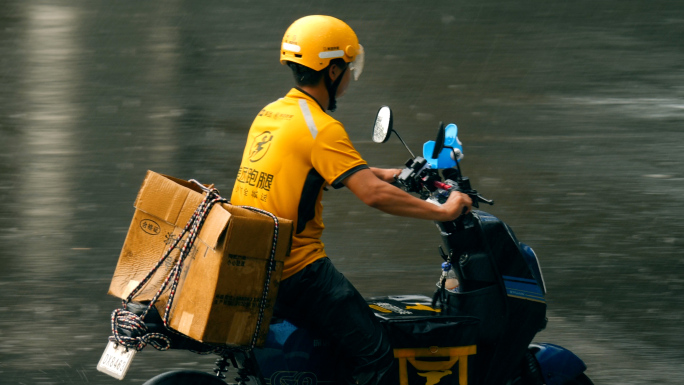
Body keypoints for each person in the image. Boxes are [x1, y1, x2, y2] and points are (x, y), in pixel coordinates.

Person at [230, 15, 472, 385]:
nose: (349, 78)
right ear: (332, 70)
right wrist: (443, 208)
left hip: (257, 259)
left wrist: (384, 172)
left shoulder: (273, 113)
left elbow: (310, 171)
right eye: (347, 67)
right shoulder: (322, 127)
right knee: (377, 356)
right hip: (298, 269)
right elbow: (372, 196)